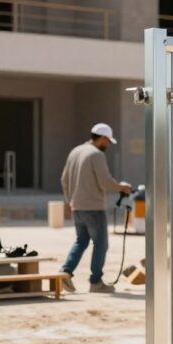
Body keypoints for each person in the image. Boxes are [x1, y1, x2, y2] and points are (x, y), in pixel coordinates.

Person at [59, 123, 131, 293]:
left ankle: (65, 273)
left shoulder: (75, 151)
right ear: (103, 138)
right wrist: (122, 187)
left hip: (77, 207)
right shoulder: (96, 155)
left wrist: (69, 201)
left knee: (81, 241)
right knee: (101, 244)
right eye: (108, 141)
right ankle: (96, 282)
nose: (108, 145)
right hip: (93, 208)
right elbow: (105, 182)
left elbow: (64, 179)